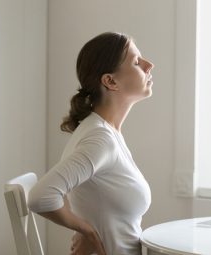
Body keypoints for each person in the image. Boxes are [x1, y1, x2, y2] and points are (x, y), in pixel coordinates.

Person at [28, 32, 154, 255]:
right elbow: (41, 196)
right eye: (136, 61)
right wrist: (85, 229)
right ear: (110, 81)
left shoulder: (105, 131)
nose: (148, 65)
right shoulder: (101, 139)